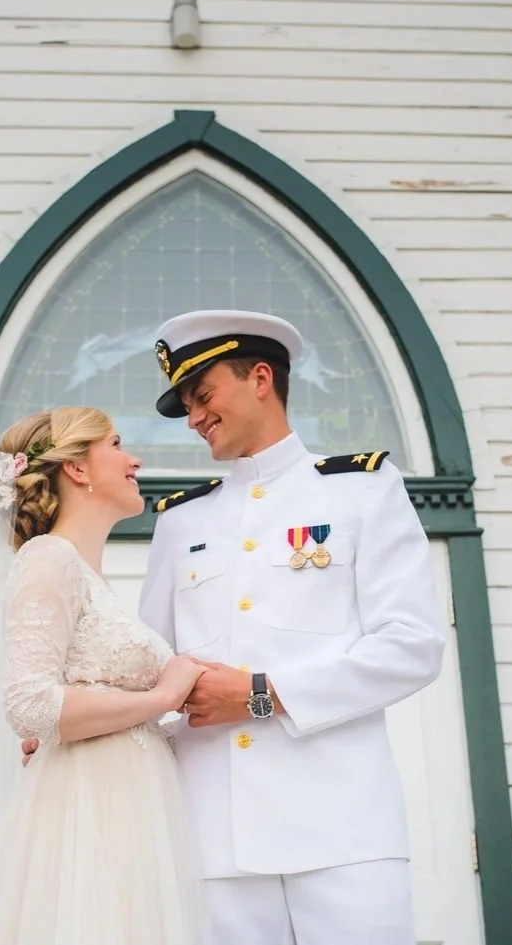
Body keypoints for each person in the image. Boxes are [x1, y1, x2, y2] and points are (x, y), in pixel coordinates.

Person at [25, 310, 449, 945]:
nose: (195, 417)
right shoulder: (182, 521)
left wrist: (259, 692)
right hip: (209, 839)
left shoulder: (362, 491)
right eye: (187, 406)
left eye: (202, 396)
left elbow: (412, 646)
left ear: (259, 377)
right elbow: (148, 676)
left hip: (342, 830)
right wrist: (65, 729)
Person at [0, 406, 209, 945]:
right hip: (86, 811)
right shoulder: (48, 560)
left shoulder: (86, 574)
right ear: (77, 469)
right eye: (116, 443)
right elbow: (31, 705)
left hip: (133, 808)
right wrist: (163, 696)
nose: (136, 459)